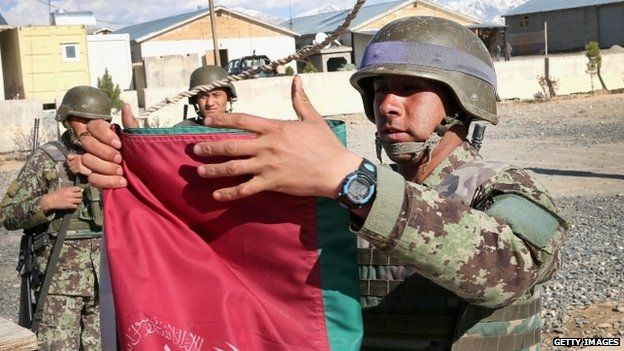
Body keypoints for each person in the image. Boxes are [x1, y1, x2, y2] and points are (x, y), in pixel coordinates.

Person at [80, 16, 567, 351]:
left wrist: (352, 181)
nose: (387, 104)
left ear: (461, 103)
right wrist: (145, 174)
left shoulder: (505, 188)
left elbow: (511, 271)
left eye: (409, 89)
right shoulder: (336, 200)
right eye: (378, 90)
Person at [1, 86, 110, 349]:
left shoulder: (114, 162)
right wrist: (47, 203)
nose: (88, 127)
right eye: (82, 120)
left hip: (104, 286)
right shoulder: (47, 159)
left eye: (97, 121)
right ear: (66, 119)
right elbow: (7, 214)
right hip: (58, 286)